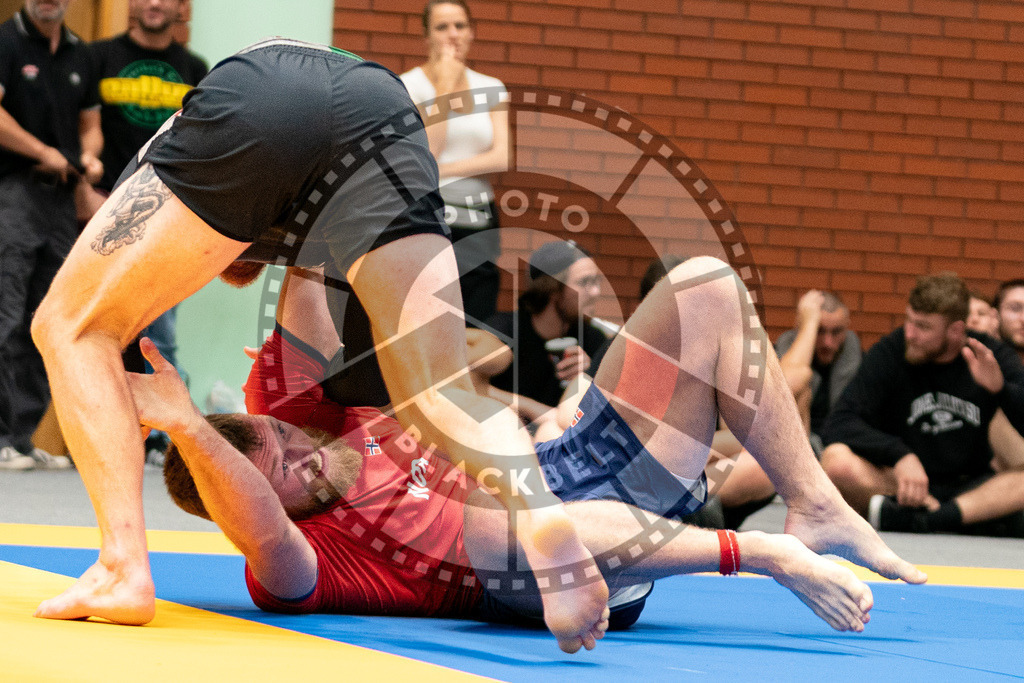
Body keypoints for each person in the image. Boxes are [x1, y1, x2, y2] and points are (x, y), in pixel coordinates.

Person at [29, 37, 610, 652]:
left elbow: (241, 270)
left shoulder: (185, 174)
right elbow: (299, 295)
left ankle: (122, 565)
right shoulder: (300, 231)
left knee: (69, 327)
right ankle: (538, 509)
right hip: (382, 99)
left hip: (258, 92)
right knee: (439, 389)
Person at [138, 260, 929, 635]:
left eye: (287, 438)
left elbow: (306, 276)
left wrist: (286, 204)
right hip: (543, 569)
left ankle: (814, 504)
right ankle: (762, 553)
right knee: (487, 508)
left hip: (565, 478)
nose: (305, 452)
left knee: (705, 288)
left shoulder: (310, 416)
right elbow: (259, 524)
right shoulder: (296, 561)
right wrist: (185, 428)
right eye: (289, 474)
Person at [821, 273, 1024, 536]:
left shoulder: (988, 354)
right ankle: (959, 519)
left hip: (970, 487)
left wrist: (1001, 390)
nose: (911, 333)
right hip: (901, 482)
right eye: (909, 320)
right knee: (835, 461)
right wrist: (900, 454)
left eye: (924, 327)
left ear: (955, 331)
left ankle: (930, 519)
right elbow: (839, 422)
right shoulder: (892, 350)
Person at [0, 0, 101, 471]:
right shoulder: (5, 41)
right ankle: (2, 435)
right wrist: (45, 152)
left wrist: (90, 157)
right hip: (14, 193)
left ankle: (21, 436)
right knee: (5, 315)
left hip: (63, 201)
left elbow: (91, 126)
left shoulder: (81, 52)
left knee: (48, 321)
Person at [400, 0, 508, 325]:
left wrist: (442, 171)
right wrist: (445, 87)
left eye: (460, 26)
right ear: (426, 36)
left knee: (476, 319)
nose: (453, 35)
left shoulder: (491, 87)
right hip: (429, 212)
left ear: (472, 33)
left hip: (478, 214)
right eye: (442, 27)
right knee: (427, 317)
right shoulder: (408, 85)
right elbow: (430, 149)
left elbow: (502, 157)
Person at [485, 240, 608, 410]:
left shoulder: (594, 340)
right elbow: (465, 385)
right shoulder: (502, 331)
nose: (596, 292)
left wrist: (589, 379)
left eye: (596, 282)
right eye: (584, 282)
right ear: (552, 288)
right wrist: (531, 408)